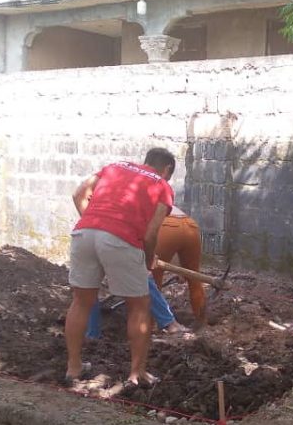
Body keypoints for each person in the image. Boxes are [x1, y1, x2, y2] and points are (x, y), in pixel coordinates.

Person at [65, 148, 175, 388]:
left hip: (84, 232)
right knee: (139, 306)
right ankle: (137, 374)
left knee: (81, 301)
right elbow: (151, 233)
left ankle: (73, 367)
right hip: (122, 240)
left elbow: (78, 194)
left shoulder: (114, 166)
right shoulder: (163, 187)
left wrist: (99, 224)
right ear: (166, 170)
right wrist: (147, 260)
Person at [85, 275, 189, 339]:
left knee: (87, 290)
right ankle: (169, 323)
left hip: (84, 243)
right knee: (140, 279)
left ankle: (92, 336)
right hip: (110, 244)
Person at [151, 206, 206, 326]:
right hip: (190, 225)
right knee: (194, 278)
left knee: (153, 279)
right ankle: (202, 321)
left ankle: (152, 325)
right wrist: (180, 269)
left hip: (165, 225)